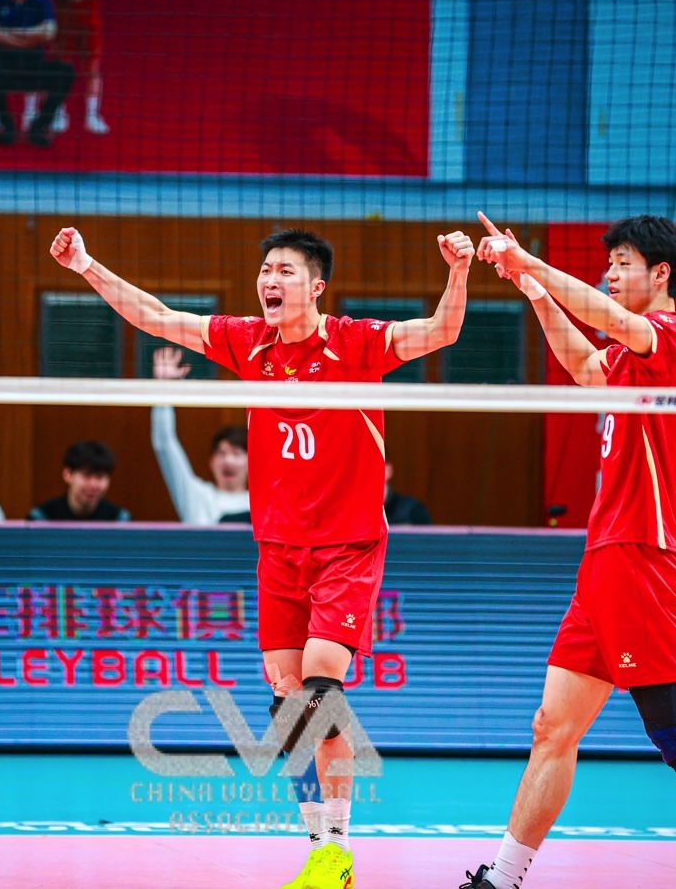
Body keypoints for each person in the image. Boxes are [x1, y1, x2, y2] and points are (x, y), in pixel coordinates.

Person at [50, 222, 473, 889]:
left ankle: (339, 848)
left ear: (317, 286)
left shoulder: (357, 343)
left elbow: (442, 331)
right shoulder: (250, 342)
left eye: (285, 271)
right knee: (288, 704)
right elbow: (157, 317)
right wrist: (85, 266)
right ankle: (321, 851)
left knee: (320, 689)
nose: (270, 281)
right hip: (278, 550)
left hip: (347, 546)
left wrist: (458, 272)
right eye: (266, 270)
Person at [460, 213, 676, 889]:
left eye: (623, 264)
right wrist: (534, 291)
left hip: (640, 555)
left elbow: (612, 323)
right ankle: (503, 878)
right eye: (609, 264)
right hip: (602, 559)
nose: (610, 274)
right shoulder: (626, 357)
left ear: (661, 273)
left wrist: (529, 262)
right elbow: (584, 363)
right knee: (552, 727)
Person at [150, 346, 250, 524]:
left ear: (251, 462)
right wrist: (163, 387)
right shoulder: (197, 496)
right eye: (221, 453)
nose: (228, 461)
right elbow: (164, 444)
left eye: (237, 453)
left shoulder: (263, 502)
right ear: (211, 461)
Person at [0, 0, 73, 148]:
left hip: (32, 67)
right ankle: (6, 124)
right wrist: (30, 36)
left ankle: (39, 125)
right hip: (2, 67)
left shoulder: (42, 1)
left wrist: (8, 34)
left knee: (65, 72)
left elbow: (49, 33)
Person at [51, 0, 108, 135]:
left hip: (90, 21)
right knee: (61, 68)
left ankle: (92, 115)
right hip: (65, 20)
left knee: (92, 68)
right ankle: (59, 111)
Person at [28, 440, 130, 522]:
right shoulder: (42, 518)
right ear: (67, 475)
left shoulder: (119, 520)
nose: (93, 485)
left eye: (100, 477)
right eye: (86, 476)